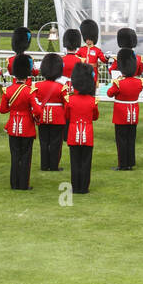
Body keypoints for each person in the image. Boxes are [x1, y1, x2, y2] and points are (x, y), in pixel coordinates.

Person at [0, 52, 37, 190]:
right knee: (26, 156)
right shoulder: (30, 91)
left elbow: (2, 109)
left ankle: (14, 183)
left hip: (13, 125)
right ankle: (23, 184)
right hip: (27, 126)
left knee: (15, 156)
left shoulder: (8, 90)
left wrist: (13, 108)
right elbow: (37, 111)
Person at [65, 62, 98, 195]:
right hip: (87, 134)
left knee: (75, 161)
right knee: (86, 161)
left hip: (73, 133)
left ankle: (75, 186)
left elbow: (66, 115)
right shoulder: (92, 101)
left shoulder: (69, 100)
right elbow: (95, 117)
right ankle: (84, 187)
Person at [31, 53, 68, 172]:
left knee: (44, 141)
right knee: (56, 142)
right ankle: (53, 166)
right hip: (57, 116)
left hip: (42, 115)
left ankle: (44, 165)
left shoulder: (37, 85)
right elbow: (66, 104)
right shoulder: (61, 87)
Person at [107, 47, 143, 170]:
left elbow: (109, 93)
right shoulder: (139, 82)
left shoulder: (119, 83)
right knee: (131, 139)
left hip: (121, 113)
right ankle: (130, 163)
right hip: (133, 112)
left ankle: (122, 164)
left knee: (121, 139)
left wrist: (116, 81)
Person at [77, 18, 106, 83]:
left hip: (93, 72)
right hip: (83, 71)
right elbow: (76, 57)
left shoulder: (97, 50)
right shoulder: (81, 49)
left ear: (93, 38)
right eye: (87, 39)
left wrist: (106, 57)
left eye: (90, 39)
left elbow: (103, 59)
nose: (88, 40)